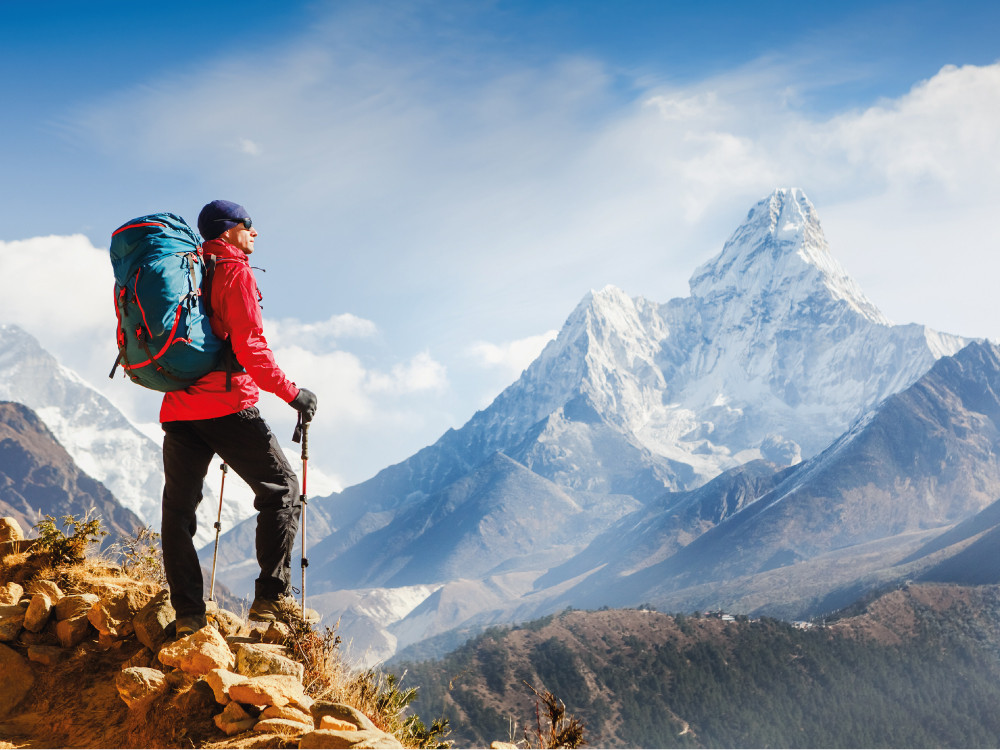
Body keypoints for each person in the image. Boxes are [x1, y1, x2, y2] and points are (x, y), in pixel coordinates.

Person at [159, 199, 318, 637]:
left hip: (178, 408)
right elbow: (250, 346)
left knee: (178, 511)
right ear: (229, 230)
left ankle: (188, 614)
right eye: (249, 224)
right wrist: (293, 394)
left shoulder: (183, 268)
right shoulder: (233, 271)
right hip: (227, 407)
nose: (255, 232)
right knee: (281, 488)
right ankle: (269, 603)